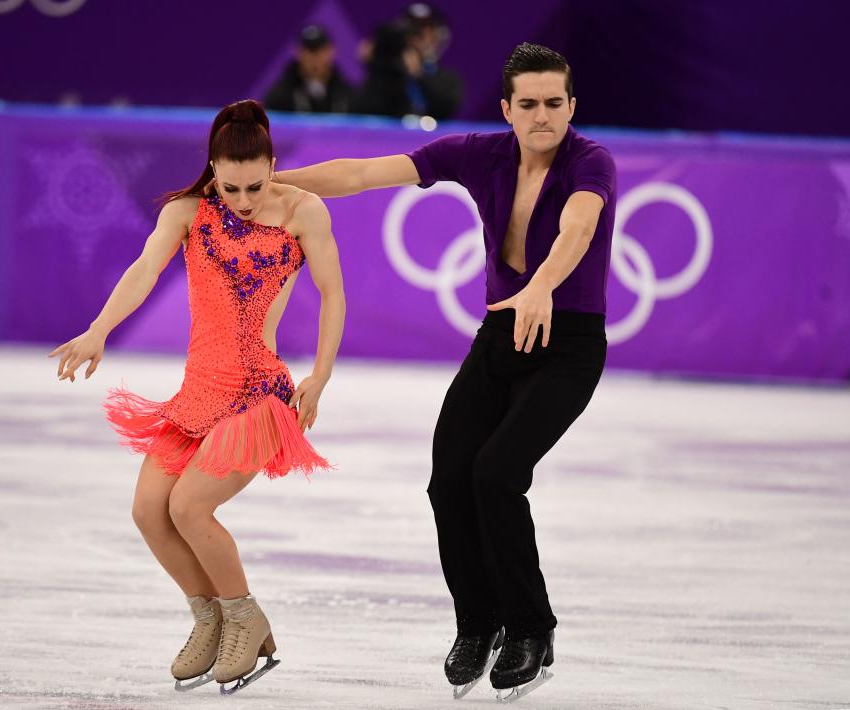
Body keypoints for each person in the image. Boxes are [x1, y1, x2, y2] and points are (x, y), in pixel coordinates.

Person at [276, 44, 615, 701]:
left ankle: (529, 629)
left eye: (553, 104)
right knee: (447, 481)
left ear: (570, 107)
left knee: (496, 475)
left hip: (568, 345)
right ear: (506, 109)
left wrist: (542, 284)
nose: (541, 116)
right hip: (499, 337)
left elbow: (578, 226)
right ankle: (477, 623)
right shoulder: (477, 153)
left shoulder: (589, 161)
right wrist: (274, 185)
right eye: (528, 105)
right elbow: (363, 172)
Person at [48, 99, 345, 694]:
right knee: (147, 512)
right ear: (212, 169)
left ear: (272, 165)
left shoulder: (303, 212)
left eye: (255, 186)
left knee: (189, 507)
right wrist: (98, 330)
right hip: (198, 393)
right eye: (230, 187)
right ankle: (211, 620)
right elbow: (143, 270)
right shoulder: (188, 213)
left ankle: (244, 614)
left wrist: (321, 375)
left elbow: (333, 293)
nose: (242, 200)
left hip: (261, 393)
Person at [352, 19, 461, 120]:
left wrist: (419, 75)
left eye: (421, 35)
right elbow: (364, 109)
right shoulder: (381, 74)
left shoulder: (446, 79)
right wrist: (372, 64)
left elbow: (446, 108)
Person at [264, 25, 355, 114]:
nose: (314, 58)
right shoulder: (280, 96)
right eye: (309, 51)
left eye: (320, 50)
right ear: (297, 52)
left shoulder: (347, 94)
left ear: (331, 51)